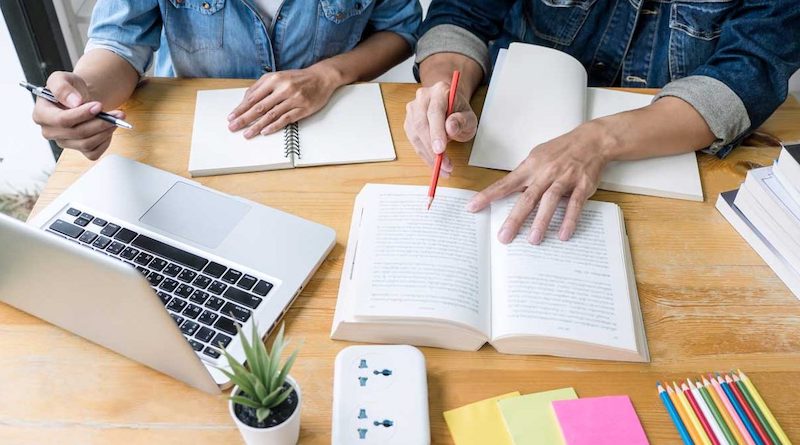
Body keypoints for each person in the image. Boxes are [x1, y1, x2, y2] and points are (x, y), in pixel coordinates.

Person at [404, 0, 800, 245]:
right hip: (500, 140)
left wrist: (597, 141)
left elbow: (750, 69)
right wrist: (444, 87)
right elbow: (460, 14)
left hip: (672, 160)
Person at [32, 0, 421, 159]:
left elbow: (400, 30)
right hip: (193, 143)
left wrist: (329, 74)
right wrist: (83, 94)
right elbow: (119, 44)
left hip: (333, 137)